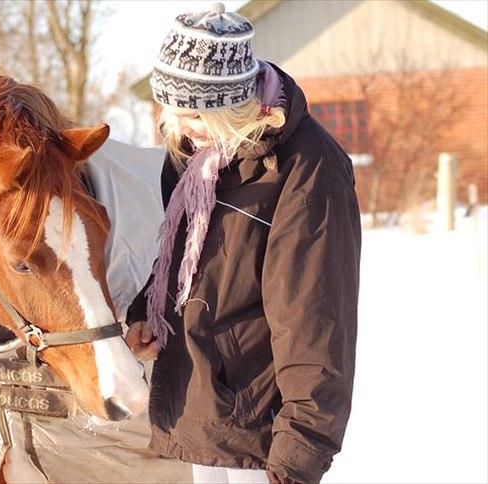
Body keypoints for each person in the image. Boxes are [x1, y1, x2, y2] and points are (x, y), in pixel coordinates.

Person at [125, 4, 361, 484]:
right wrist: (146, 314)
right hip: (202, 403)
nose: (178, 124)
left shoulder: (305, 171)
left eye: (191, 111)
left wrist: (300, 449)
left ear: (233, 103)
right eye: (168, 108)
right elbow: (186, 259)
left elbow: (314, 318)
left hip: (263, 429)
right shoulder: (199, 155)